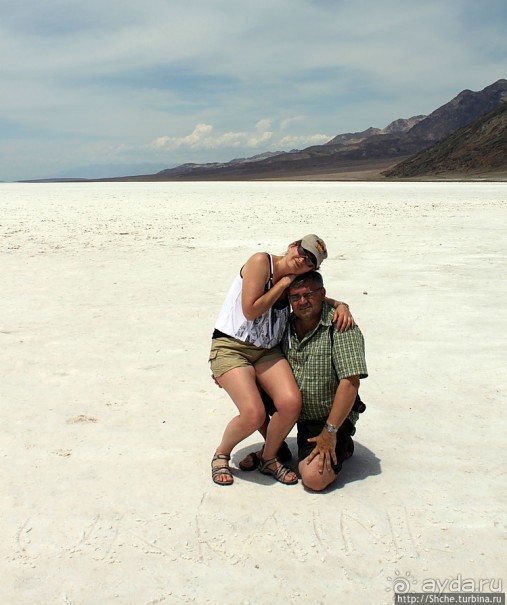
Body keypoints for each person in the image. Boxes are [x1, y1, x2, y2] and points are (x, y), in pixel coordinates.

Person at [209, 235, 354, 486]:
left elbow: (312, 296)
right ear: (292, 245)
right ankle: (221, 454)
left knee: (290, 403)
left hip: (267, 350)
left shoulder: (295, 281)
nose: (302, 259)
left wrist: (340, 305)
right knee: (253, 414)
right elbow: (251, 310)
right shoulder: (261, 262)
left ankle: (268, 459)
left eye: (310, 261)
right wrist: (282, 284)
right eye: (302, 251)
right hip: (232, 347)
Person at [239, 270, 368, 491]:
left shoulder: (341, 326)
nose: (302, 302)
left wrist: (330, 432)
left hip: (325, 417)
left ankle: (342, 441)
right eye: (295, 297)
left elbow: (350, 384)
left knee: (314, 479)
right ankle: (275, 447)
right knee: (241, 378)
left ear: (322, 294)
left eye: (308, 295)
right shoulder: (284, 324)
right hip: (292, 406)